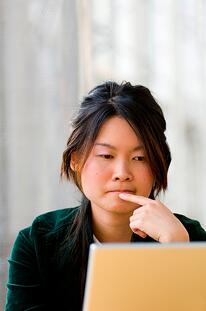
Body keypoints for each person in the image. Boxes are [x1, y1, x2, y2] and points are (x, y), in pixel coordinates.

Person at [5, 81, 206, 310]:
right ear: (76, 160)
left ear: (159, 164)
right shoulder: (38, 242)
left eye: (139, 158)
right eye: (106, 156)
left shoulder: (188, 237)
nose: (122, 173)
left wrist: (179, 253)